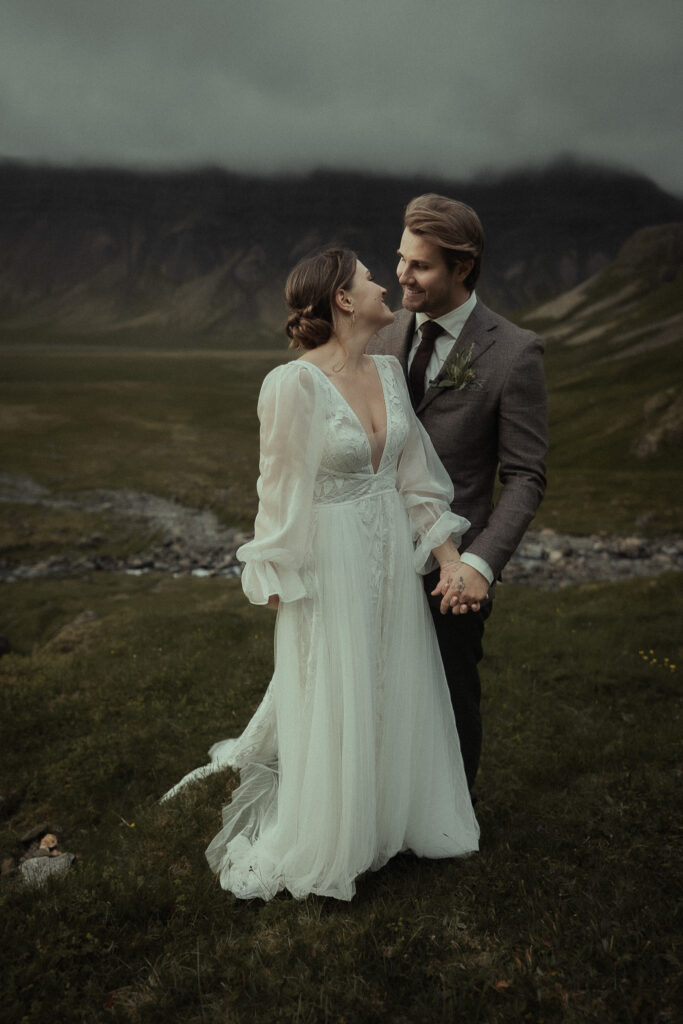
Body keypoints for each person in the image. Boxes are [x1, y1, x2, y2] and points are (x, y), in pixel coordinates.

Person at [161, 248, 480, 901]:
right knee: (335, 689)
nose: (383, 283)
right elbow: (277, 495)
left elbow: (415, 482)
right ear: (340, 298)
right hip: (330, 561)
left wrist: (449, 562)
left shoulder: (390, 373)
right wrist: (279, 579)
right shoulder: (291, 385)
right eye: (368, 277)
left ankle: (393, 816)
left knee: (392, 682)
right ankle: (335, 832)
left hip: (389, 556)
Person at [369, 194, 548, 793]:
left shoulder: (515, 352)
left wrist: (479, 564)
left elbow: (526, 476)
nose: (401, 275)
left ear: (462, 268)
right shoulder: (381, 330)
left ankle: (451, 821)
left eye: (419, 266)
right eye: (399, 259)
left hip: (454, 571)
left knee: (450, 696)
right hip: (371, 549)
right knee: (375, 690)